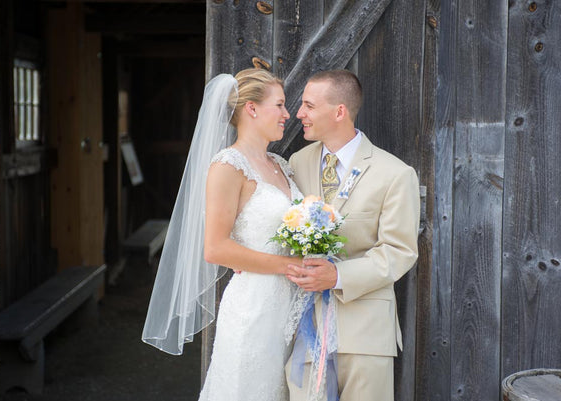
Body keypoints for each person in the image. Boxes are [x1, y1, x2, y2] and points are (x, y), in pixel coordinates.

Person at [142, 68, 302, 401]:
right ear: (252, 109)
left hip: (293, 307)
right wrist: (288, 266)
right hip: (255, 307)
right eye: (280, 104)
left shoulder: (280, 164)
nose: (288, 114)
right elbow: (215, 248)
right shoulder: (228, 166)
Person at [285, 70, 420, 401]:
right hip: (306, 329)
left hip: (365, 332)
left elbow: (399, 251)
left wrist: (337, 275)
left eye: (308, 105)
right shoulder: (296, 163)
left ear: (339, 111)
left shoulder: (396, 174)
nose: (299, 113)